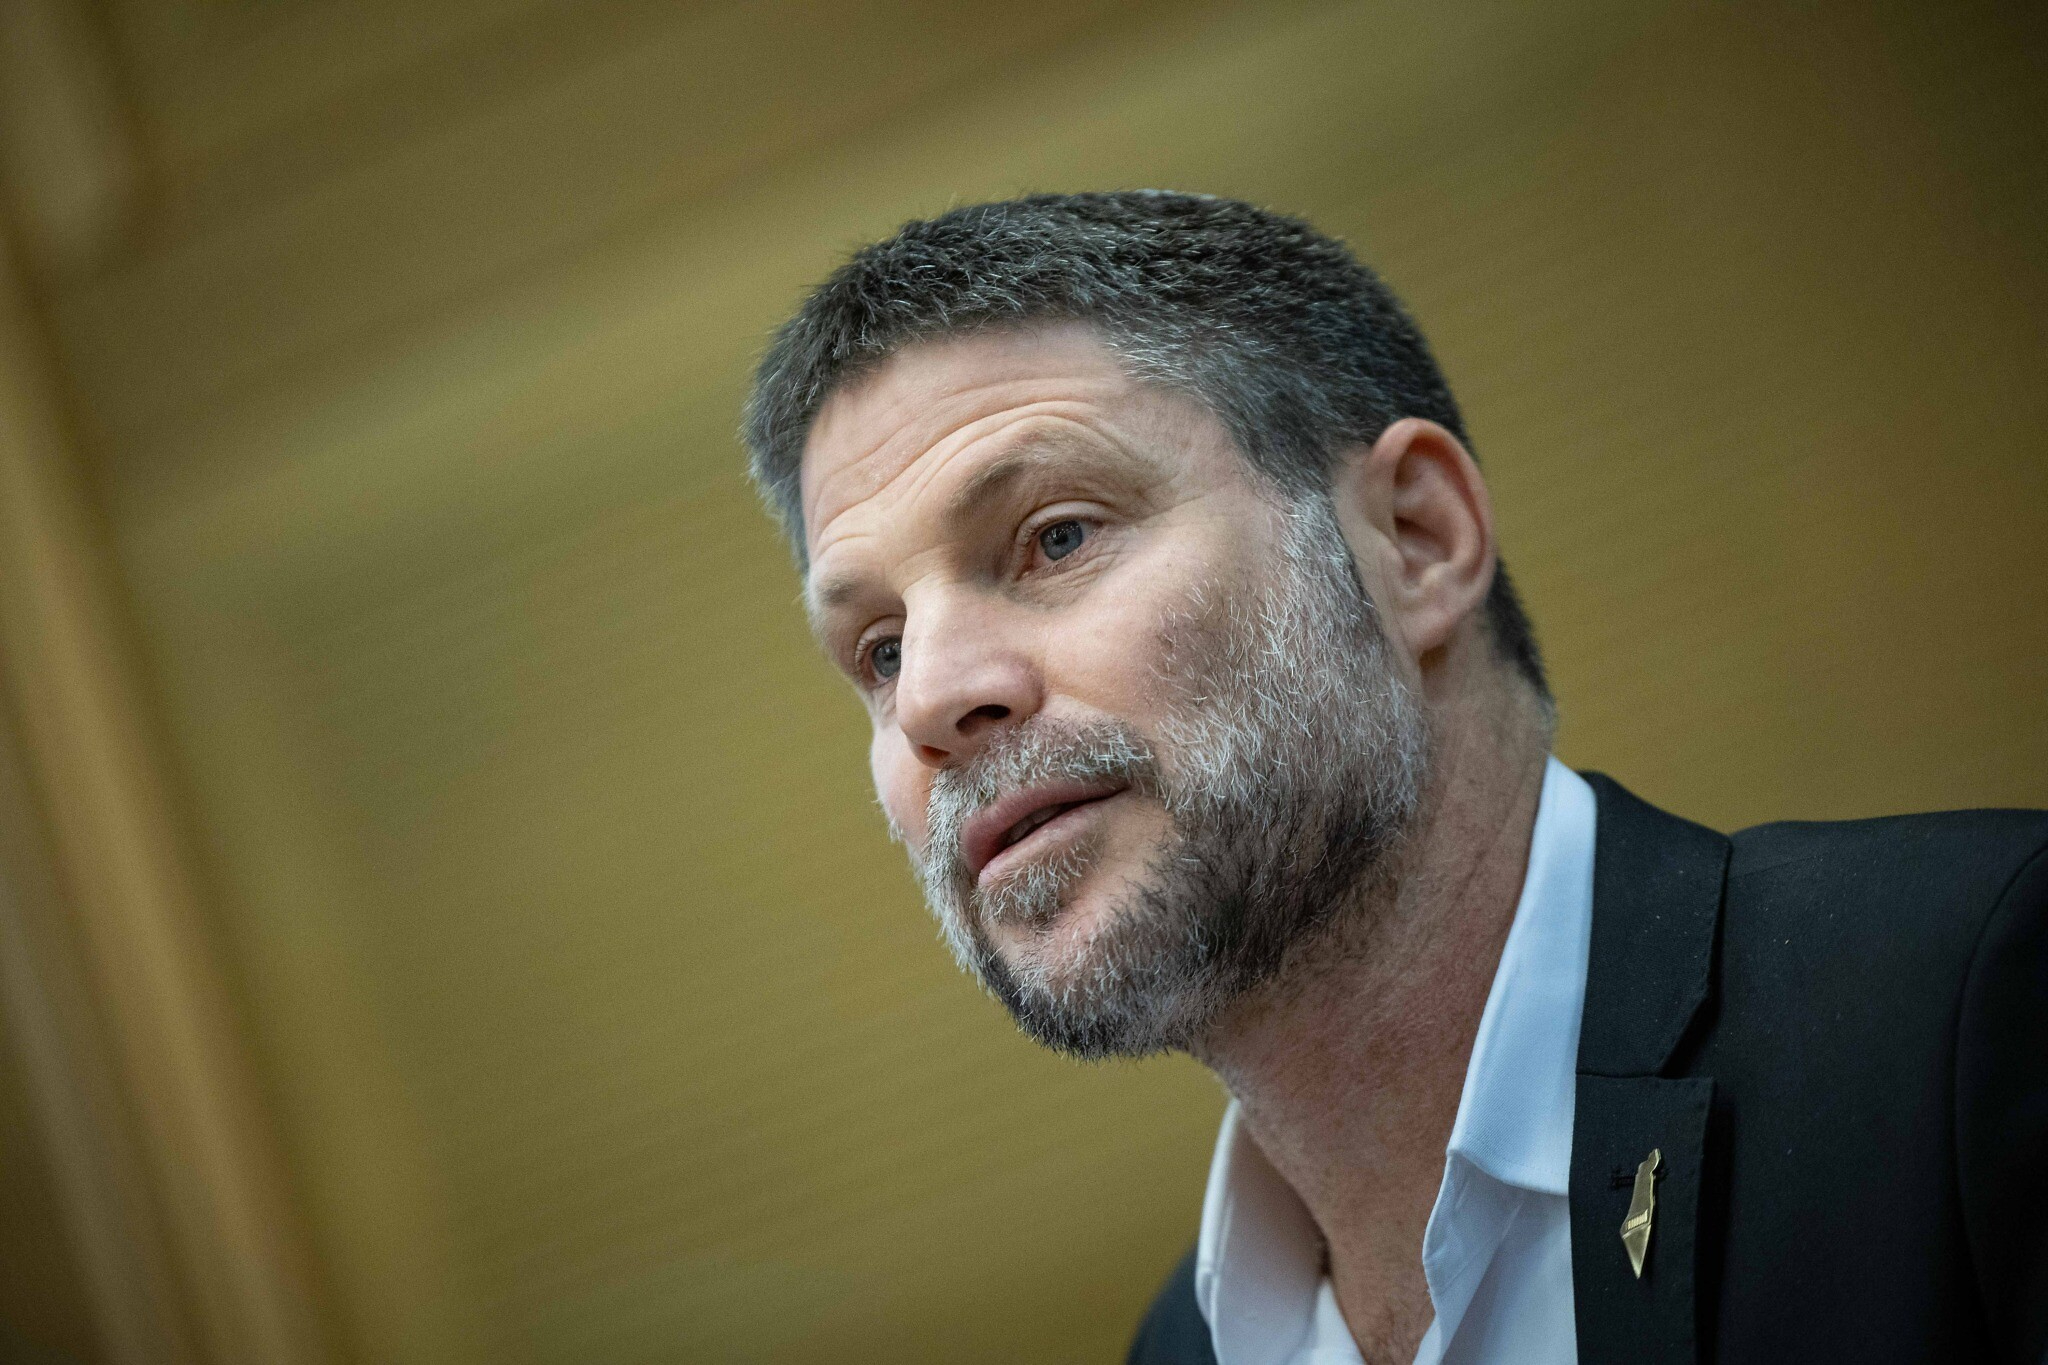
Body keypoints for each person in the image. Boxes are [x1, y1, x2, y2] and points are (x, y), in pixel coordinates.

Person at [738, 191, 2048, 1365]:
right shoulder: (1181, 1349)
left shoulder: (1969, 1000)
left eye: (1057, 536)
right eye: (880, 648)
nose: (929, 699)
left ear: (1413, 541)